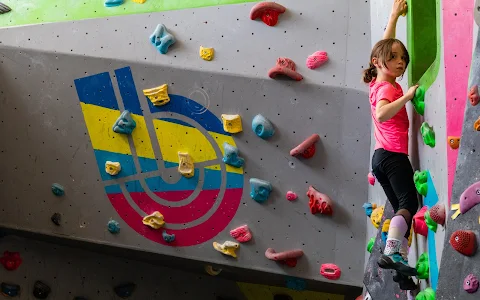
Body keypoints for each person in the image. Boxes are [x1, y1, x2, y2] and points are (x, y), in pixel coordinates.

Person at [363, 0, 420, 291]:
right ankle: (393, 253)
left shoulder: (377, 82)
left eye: (403, 59)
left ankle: (399, 270)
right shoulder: (387, 88)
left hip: (380, 159)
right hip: (393, 156)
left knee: (401, 210)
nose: (401, 62)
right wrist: (407, 97)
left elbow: (383, 46)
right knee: (409, 204)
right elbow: (383, 112)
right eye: (395, 58)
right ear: (378, 62)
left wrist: (394, 15)